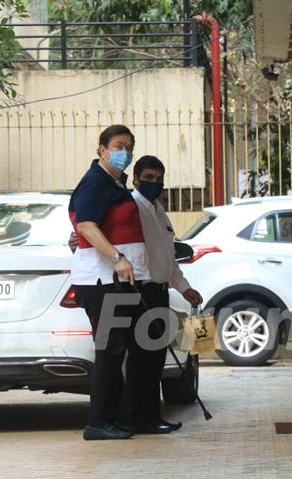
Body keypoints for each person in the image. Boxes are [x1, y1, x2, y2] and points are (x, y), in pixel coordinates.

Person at [69, 124, 150, 441]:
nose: (125, 152)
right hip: (103, 281)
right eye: (118, 146)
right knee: (109, 350)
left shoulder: (113, 183)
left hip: (119, 281)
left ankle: (113, 418)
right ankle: (98, 423)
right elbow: (87, 225)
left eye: (129, 146)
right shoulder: (95, 183)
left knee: (117, 351)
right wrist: (117, 257)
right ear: (101, 149)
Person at [129, 155, 203, 433]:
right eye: (148, 178)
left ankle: (151, 416)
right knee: (142, 361)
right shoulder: (131, 206)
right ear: (136, 179)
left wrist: (185, 288)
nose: (154, 183)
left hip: (159, 291)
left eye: (159, 179)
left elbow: (168, 259)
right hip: (140, 291)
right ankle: (139, 417)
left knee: (156, 358)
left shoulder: (158, 209)